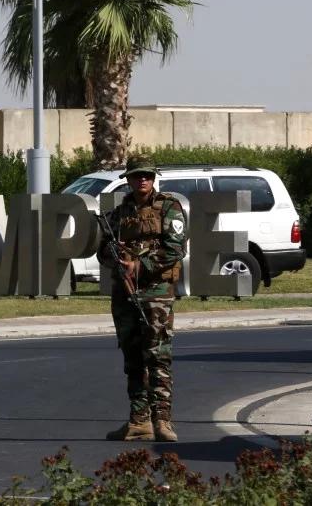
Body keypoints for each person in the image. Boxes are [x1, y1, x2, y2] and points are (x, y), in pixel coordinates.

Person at [98, 156, 188, 442]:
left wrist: (140, 265)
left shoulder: (169, 207)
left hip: (156, 293)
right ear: (128, 179)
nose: (142, 180)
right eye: (137, 176)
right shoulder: (120, 212)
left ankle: (162, 420)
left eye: (147, 176)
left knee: (158, 356)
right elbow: (101, 251)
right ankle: (139, 420)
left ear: (153, 178)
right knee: (132, 357)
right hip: (125, 293)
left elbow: (175, 249)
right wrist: (118, 257)